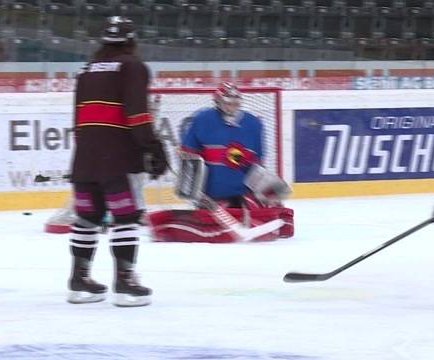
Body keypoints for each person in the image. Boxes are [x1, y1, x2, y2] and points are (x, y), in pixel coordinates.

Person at [67, 16, 168, 307]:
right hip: (119, 159)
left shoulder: (86, 70)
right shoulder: (132, 67)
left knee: (87, 218)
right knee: (125, 217)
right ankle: (125, 282)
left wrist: (88, 152)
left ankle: (79, 281)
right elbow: (137, 114)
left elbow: (78, 121)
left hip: (85, 158)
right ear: (131, 40)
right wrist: (153, 147)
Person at [147, 82, 293, 243]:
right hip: (213, 193)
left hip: (243, 191)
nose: (232, 106)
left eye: (236, 102)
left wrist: (266, 188)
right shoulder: (202, 120)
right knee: (211, 225)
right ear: (217, 102)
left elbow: (256, 162)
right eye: (228, 102)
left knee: (261, 220)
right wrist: (192, 189)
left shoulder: (253, 124)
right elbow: (189, 156)